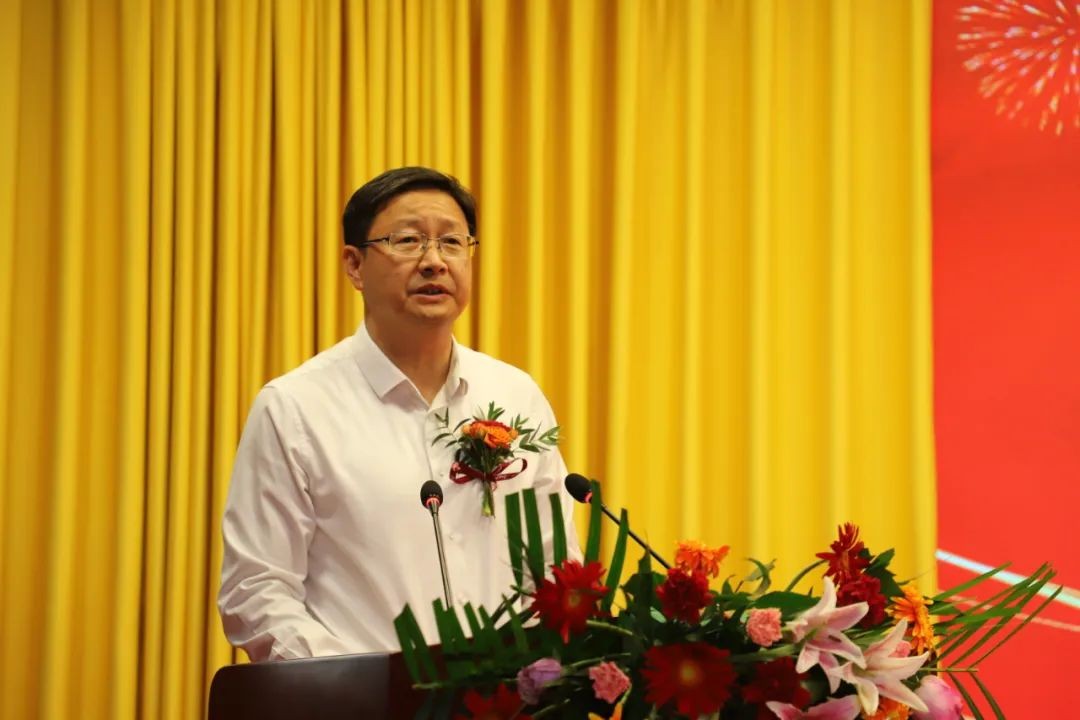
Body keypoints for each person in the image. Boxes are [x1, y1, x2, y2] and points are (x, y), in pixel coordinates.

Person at [218, 167, 581, 661]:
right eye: (408, 241)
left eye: (452, 242)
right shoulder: (295, 408)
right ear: (354, 265)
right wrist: (358, 685)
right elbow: (256, 590)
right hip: (362, 697)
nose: (434, 261)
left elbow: (556, 568)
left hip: (505, 695)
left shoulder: (516, 396)